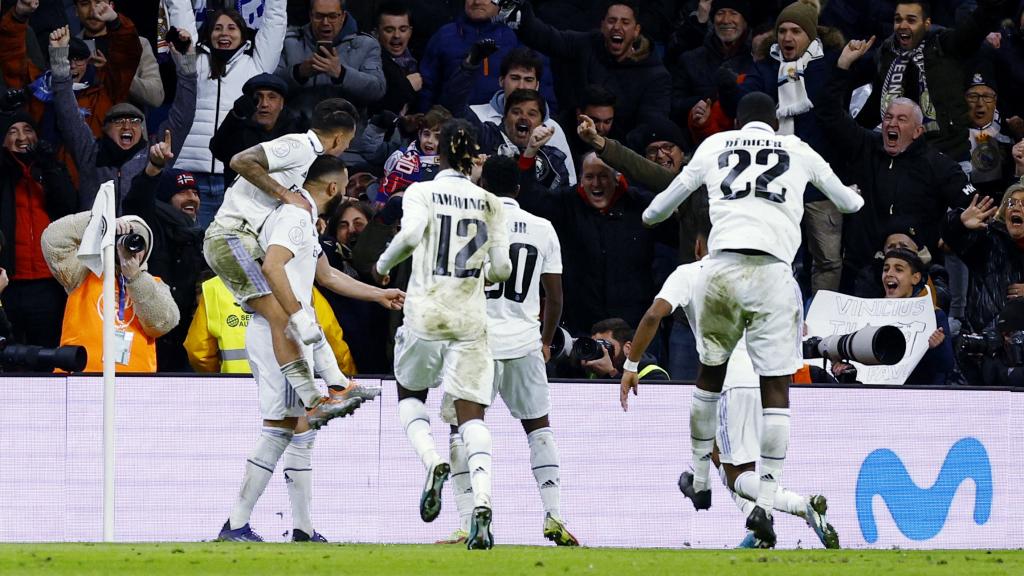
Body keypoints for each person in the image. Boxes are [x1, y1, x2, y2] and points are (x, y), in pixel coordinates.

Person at [642, 92, 863, 547]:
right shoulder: (797, 149)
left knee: (708, 376)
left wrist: (650, 215)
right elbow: (847, 204)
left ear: (739, 123)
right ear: (775, 122)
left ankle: (701, 477)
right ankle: (764, 499)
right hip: (774, 274)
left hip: (721, 268)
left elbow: (663, 204)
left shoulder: (714, 146)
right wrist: (851, 199)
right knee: (777, 394)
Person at [621, 195, 839, 549]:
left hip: (729, 383)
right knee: (722, 457)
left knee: (738, 475)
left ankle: (803, 506)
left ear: (698, 245)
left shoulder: (691, 273)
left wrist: (632, 365)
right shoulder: (757, 273)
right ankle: (758, 534)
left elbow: (653, 315)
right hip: (766, 382)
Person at [216, 153, 379, 543]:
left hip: (285, 331)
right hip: (281, 332)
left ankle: (300, 529)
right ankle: (238, 524)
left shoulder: (301, 217)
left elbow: (327, 275)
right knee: (283, 427)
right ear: (335, 188)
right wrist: (296, 315)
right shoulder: (293, 217)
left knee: (299, 428)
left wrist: (380, 294)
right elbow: (273, 265)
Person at [375, 119, 511, 550]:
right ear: (475, 157)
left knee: (410, 397)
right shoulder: (492, 203)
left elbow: (411, 235)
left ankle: (432, 461)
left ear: (439, 156)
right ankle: (484, 501)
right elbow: (503, 269)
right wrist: (483, 270)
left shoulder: (421, 191)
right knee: (471, 417)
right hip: (470, 320)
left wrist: (381, 265)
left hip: (426, 314)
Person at [203, 98, 378, 430]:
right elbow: (240, 160)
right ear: (340, 139)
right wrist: (286, 195)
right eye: (349, 143)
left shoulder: (306, 164)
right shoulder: (299, 146)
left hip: (243, 241)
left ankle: (328, 393)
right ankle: (318, 399)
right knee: (285, 316)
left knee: (286, 316)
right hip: (229, 238)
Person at [436, 155, 577, 547]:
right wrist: (546, 342)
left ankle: (469, 519)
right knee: (538, 427)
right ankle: (554, 515)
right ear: (518, 188)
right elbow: (556, 296)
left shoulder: (467, 227)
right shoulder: (543, 228)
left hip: (475, 343)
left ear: (483, 188)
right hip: (524, 343)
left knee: (461, 428)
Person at [819, 35, 973, 291]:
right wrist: (842, 66)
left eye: (901, 120)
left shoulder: (937, 164)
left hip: (915, 275)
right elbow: (829, 114)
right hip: (863, 271)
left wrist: (951, 233)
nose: (891, 123)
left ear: (917, 132)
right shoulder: (866, 145)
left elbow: (973, 206)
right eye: (889, 117)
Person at [515, 125, 676, 335]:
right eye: (589, 177)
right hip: (580, 326)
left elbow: (678, 235)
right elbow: (528, 200)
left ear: (617, 178)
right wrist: (530, 153)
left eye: (603, 176)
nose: (596, 183)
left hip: (634, 326)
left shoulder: (642, 206)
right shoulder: (567, 203)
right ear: (580, 179)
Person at [163, 0, 288, 229]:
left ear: (243, 33)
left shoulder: (257, 66)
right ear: (209, 33)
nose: (224, 33)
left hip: (235, 176)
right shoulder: (194, 62)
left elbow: (275, 21)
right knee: (189, 246)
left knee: (226, 251)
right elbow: (180, 15)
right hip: (189, 176)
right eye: (218, 28)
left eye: (232, 28)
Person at [49, 23, 196, 211]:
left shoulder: (156, 152)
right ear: (105, 128)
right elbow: (67, 113)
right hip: (97, 238)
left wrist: (187, 68)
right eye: (118, 121)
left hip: (143, 238)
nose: (127, 125)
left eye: (135, 121)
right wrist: (59, 59)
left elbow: (183, 116)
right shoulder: (90, 153)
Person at [501, 0, 671, 138]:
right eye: (612, 21)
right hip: (573, 141)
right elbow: (547, 38)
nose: (617, 27)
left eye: (625, 22)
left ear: (636, 30)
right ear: (602, 25)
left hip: (622, 154)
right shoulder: (586, 44)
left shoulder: (654, 75)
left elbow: (651, 125)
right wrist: (521, 10)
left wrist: (615, 153)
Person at [865, 0, 1006, 162]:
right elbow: (875, 106)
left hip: (951, 155)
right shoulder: (886, 54)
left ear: (926, 24)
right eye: (898, 20)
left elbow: (975, 27)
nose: (903, 25)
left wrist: (991, 5)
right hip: (904, 157)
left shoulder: (945, 45)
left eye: (911, 20)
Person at [41, 211, 180, 373]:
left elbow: (162, 325)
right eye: (122, 241)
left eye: (138, 241)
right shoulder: (83, 273)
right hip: (79, 379)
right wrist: (101, 224)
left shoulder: (154, 284)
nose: (130, 249)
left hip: (135, 384)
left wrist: (135, 278)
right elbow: (53, 240)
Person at [122, 132, 206, 371]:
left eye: (196, 193)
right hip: (149, 335)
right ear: (164, 198)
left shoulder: (199, 237)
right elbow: (136, 202)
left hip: (185, 339)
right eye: (183, 192)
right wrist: (154, 168)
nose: (192, 198)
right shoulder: (150, 227)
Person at [0, 109, 77, 349]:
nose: (21, 137)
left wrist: (50, 166)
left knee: (47, 355)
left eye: (28, 130)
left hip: (48, 284)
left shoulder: (50, 169)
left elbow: (69, 206)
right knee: (9, 357)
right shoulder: (3, 173)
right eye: (13, 131)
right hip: (7, 283)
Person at [448, 45, 576, 186]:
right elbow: (454, 104)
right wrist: (470, 65)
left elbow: (568, 188)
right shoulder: (484, 128)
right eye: (515, 78)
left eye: (528, 80)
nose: (521, 86)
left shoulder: (553, 133)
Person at [943, 188, 1024, 386]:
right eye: (1011, 203)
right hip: (986, 350)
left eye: (1023, 204)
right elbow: (954, 238)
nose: (1017, 208)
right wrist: (960, 224)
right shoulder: (988, 241)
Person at [276, 0, 386, 114]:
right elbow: (270, 85)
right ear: (311, 15)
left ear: (343, 16)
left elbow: (377, 90)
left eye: (332, 16)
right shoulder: (289, 42)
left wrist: (341, 73)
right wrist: (299, 73)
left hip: (347, 127)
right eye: (319, 16)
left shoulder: (365, 45)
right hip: (299, 127)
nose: (325, 22)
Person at [210, 73, 308, 187]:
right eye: (258, 97)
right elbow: (217, 150)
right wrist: (234, 117)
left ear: (281, 103)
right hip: (242, 201)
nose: (264, 104)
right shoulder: (238, 127)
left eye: (272, 97)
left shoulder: (298, 130)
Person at [878, 248, 953, 385]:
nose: (889, 274)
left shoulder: (934, 315)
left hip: (922, 394)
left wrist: (936, 347)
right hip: (884, 392)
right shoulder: (873, 313)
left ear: (915, 278)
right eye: (885, 269)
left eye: (898, 270)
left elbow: (946, 366)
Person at [73, 0, 164, 110]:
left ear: (111, 6)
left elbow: (155, 97)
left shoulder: (140, 44)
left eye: (99, 2)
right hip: (82, 124)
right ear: (76, 10)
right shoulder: (66, 48)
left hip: (127, 124)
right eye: (85, 4)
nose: (93, 11)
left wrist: (115, 73)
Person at [374, 0, 421, 114]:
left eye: (403, 29)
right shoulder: (370, 66)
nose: (396, 35)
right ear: (376, 33)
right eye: (389, 30)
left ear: (410, 32)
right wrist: (407, 87)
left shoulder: (419, 61)